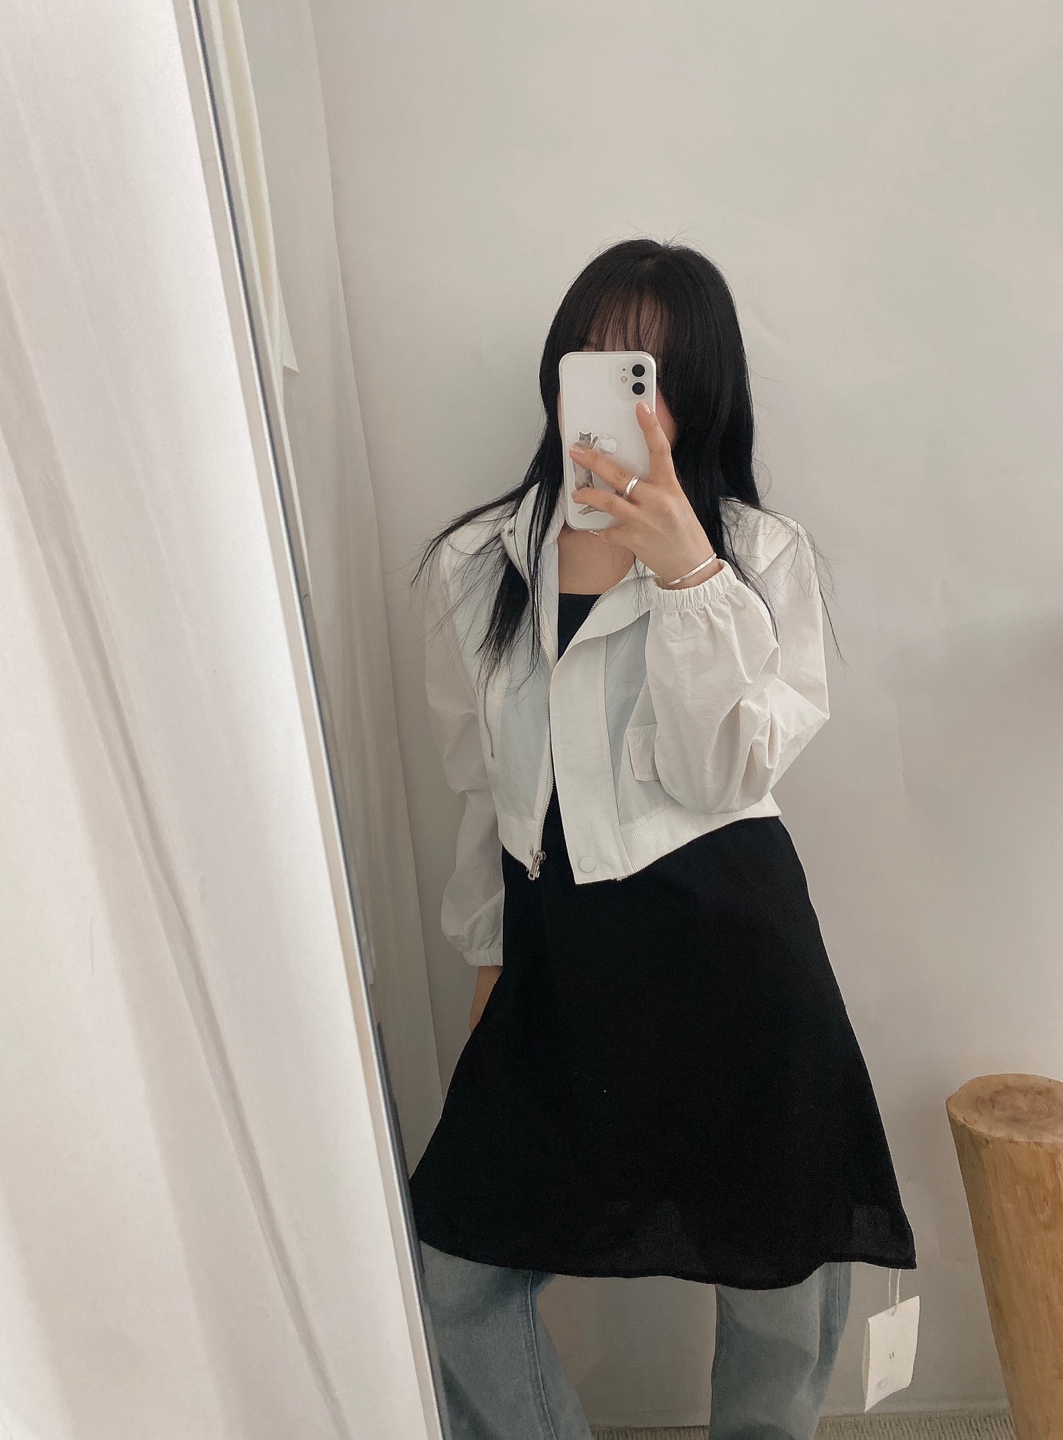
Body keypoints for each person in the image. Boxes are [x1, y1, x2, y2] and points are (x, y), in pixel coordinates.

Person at [407, 238, 916, 1440]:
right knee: (452, 1275)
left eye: (654, 372)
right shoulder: (478, 564)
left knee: (782, 1287)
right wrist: (489, 976)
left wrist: (691, 579)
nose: (629, 398)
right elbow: (483, 794)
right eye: (601, 362)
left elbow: (722, 773)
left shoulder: (762, 557)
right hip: (561, 964)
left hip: (737, 959)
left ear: (700, 392)